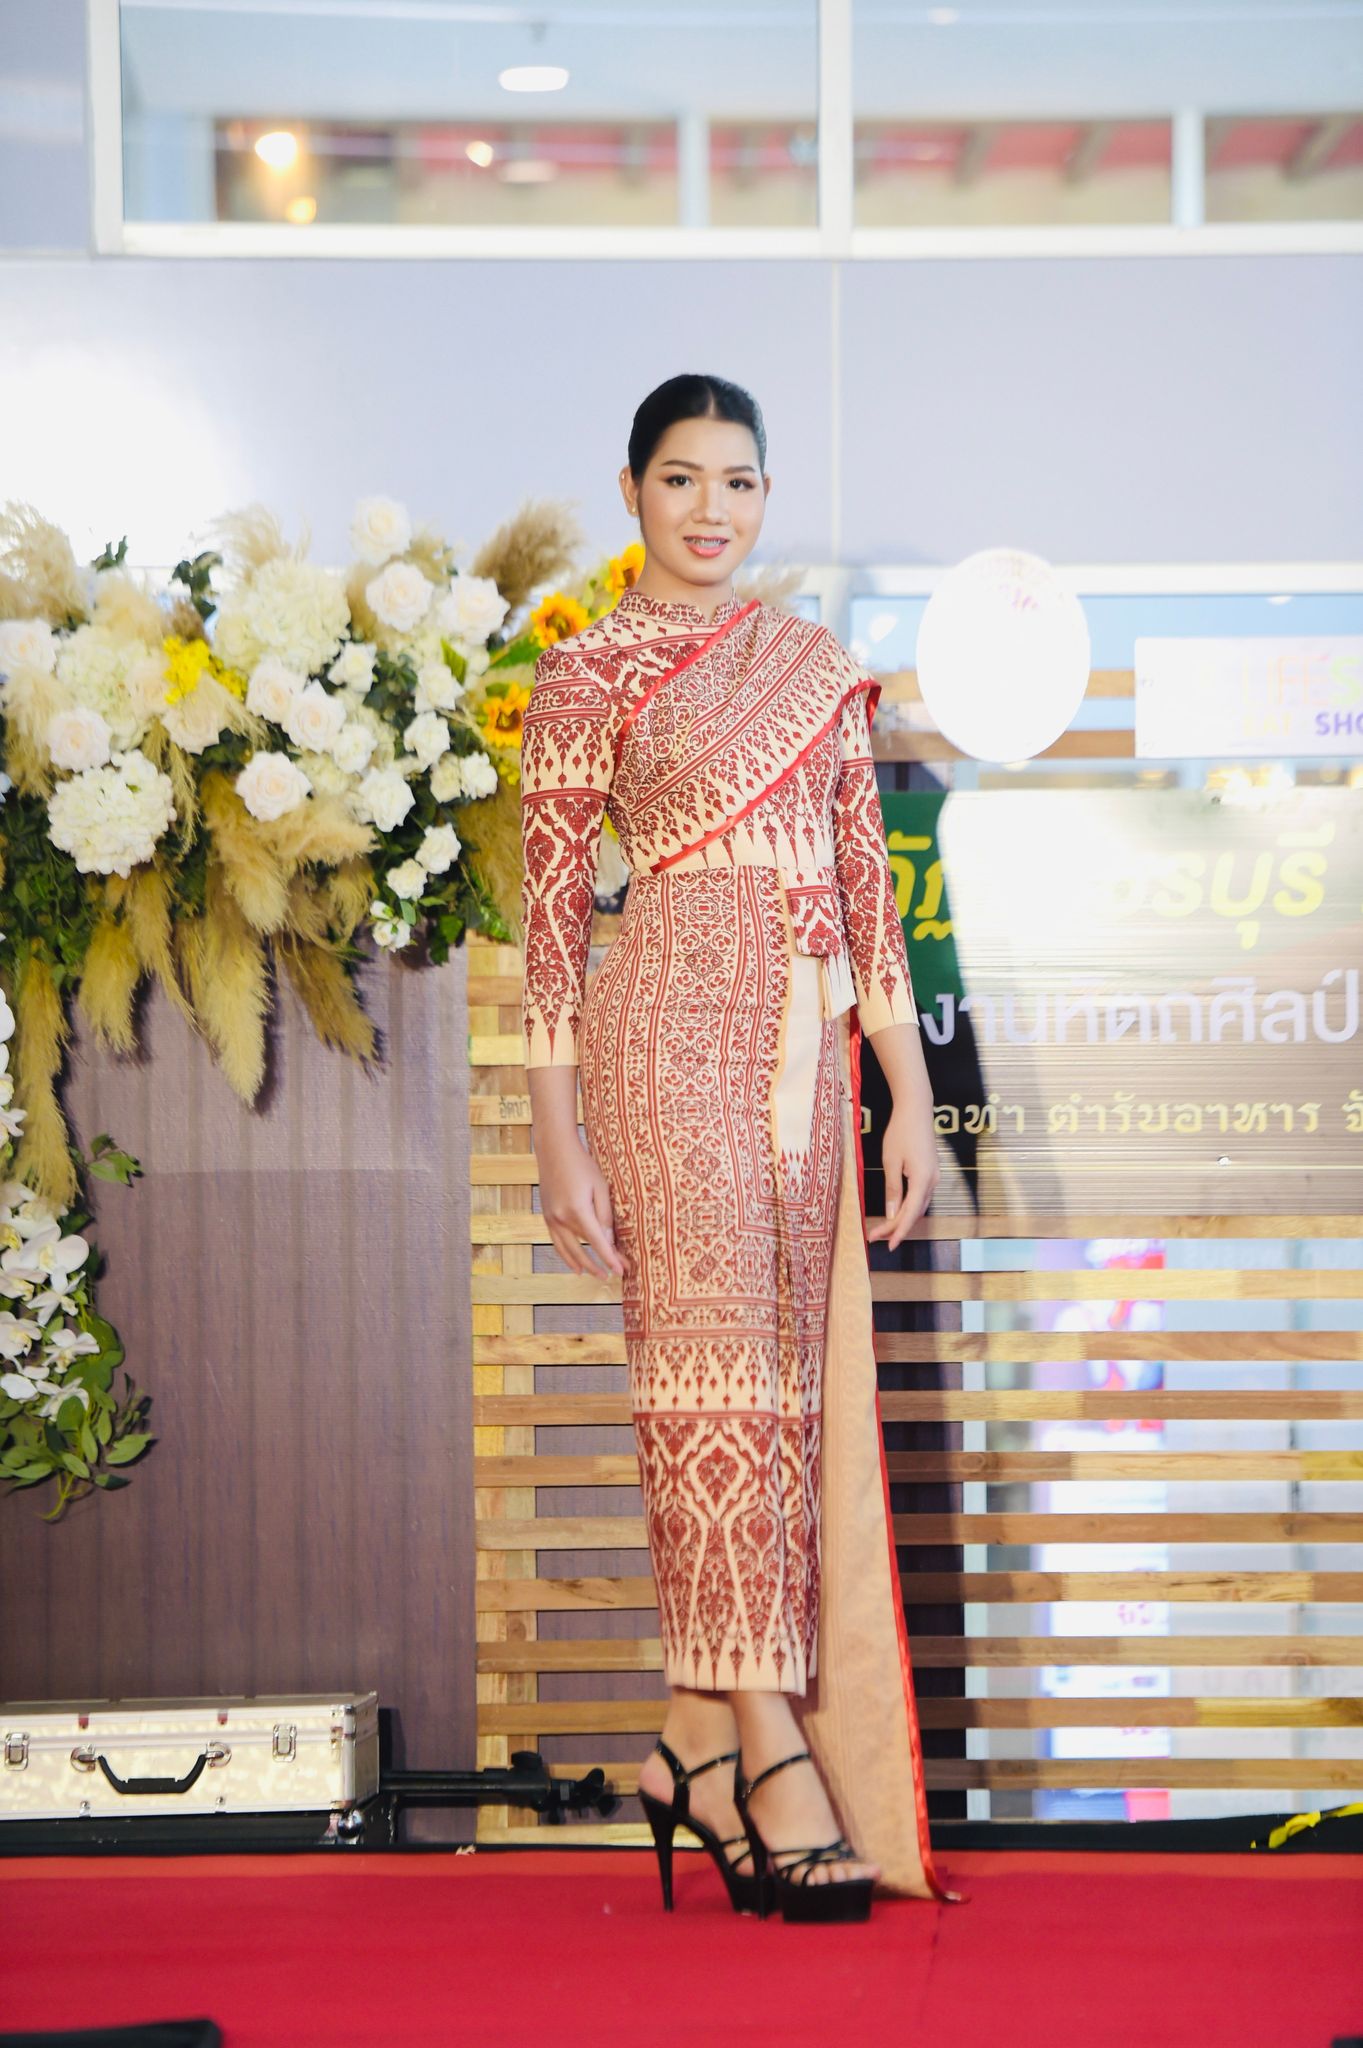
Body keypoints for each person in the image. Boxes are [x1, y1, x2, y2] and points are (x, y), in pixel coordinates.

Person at [519, 372, 948, 1923]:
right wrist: (557, 1140)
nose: (713, 510)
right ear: (632, 490)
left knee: (776, 1405)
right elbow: (551, 928)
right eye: (684, 479)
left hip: (808, 1059)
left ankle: (689, 1749)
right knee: (703, 1391)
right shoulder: (585, 675)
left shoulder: (815, 665)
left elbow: (868, 892)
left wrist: (906, 1094)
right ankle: (768, 1755)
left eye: (741, 482)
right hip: (665, 1032)